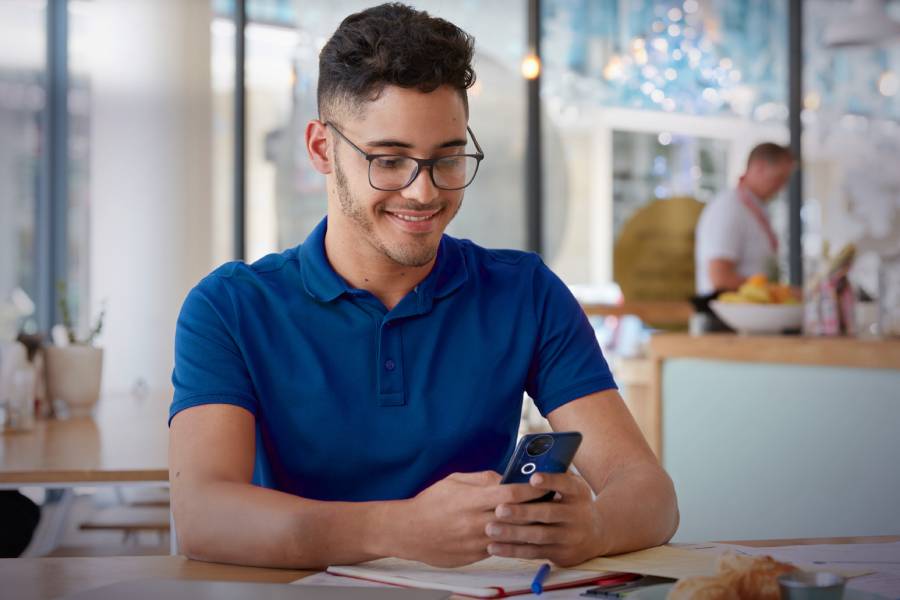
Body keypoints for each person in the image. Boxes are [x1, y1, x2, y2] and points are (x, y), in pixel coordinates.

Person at [169, 3, 677, 570]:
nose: (423, 193)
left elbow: (651, 493)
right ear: (319, 148)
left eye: (448, 159)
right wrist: (397, 528)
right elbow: (203, 515)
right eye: (389, 161)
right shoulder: (229, 307)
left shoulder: (525, 292)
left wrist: (597, 526)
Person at [694, 143, 796, 296]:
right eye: (779, 178)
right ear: (759, 167)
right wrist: (776, 292)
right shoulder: (729, 208)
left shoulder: (756, 207)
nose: (781, 187)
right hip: (725, 317)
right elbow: (720, 278)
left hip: (747, 315)